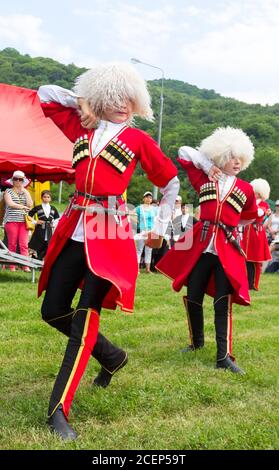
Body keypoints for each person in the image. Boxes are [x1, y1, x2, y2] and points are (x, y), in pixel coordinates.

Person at [37, 62, 179, 440]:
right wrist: (82, 101)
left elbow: (171, 183)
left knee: (84, 321)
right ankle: (113, 356)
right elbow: (44, 93)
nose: (121, 104)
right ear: (101, 97)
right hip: (75, 229)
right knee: (52, 311)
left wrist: (161, 227)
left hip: (110, 233)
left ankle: (58, 410)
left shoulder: (139, 141)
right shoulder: (83, 124)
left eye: (128, 98)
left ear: (137, 102)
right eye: (113, 97)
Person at [157, 127, 258, 375]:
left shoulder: (245, 188)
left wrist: (230, 228)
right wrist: (205, 164)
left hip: (226, 249)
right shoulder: (204, 178)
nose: (237, 162)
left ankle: (223, 356)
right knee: (193, 296)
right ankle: (197, 343)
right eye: (232, 156)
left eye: (240, 158)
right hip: (201, 247)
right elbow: (183, 152)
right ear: (220, 156)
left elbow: (249, 216)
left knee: (222, 302)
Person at [241, 179, 271, 289]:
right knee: (246, 259)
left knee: (256, 260)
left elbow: (258, 213)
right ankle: (246, 282)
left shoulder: (264, 204)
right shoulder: (251, 202)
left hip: (256, 232)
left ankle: (254, 284)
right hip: (247, 231)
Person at [3, 170, 33, 272]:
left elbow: (30, 205)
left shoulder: (25, 192)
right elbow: (10, 204)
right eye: (16, 179)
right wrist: (22, 206)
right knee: (12, 244)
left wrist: (25, 191)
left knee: (24, 244)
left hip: (23, 221)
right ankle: (12, 266)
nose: (18, 181)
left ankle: (25, 265)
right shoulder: (8, 191)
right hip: (11, 220)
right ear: (13, 180)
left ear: (23, 181)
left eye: (20, 179)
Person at [28, 190, 60, 260]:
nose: (46, 198)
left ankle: (40, 260)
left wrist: (53, 224)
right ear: (42, 198)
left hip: (49, 229)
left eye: (48, 197)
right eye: (44, 197)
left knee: (47, 245)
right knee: (38, 245)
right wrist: (35, 221)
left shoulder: (53, 208)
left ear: (50, 199)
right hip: (39, 229)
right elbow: (29, 215)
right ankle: (35, 261)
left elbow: (57, 218)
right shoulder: (38, 207)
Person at [135, 191, 158, 273]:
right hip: (142, 230)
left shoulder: (155, 209)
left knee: (149, 250)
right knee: (139, 250)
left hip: (151, 231)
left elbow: (158, 219)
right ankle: (137, 269)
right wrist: (136, 220)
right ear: (143, 198)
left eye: (150, 197)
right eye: (147, 197)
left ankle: (148, 269)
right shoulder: (139, 208)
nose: (149, 199)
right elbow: (132, 214)